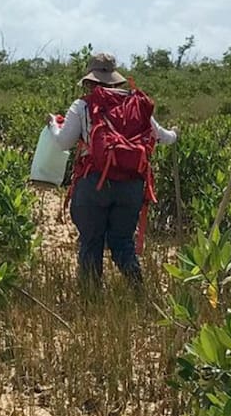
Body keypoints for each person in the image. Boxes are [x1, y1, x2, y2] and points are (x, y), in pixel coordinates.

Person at [47, 52, 177, 290]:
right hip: (131, 186)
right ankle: (139, 292)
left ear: (90, 79)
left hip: (93, 184)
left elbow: (63, 142)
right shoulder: (135, 103)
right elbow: (164, 137)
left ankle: (91, 299)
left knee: (91, 241)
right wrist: (175, 133)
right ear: (115, 78)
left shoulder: (82, 105)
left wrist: (54, 126)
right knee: (122, 241)